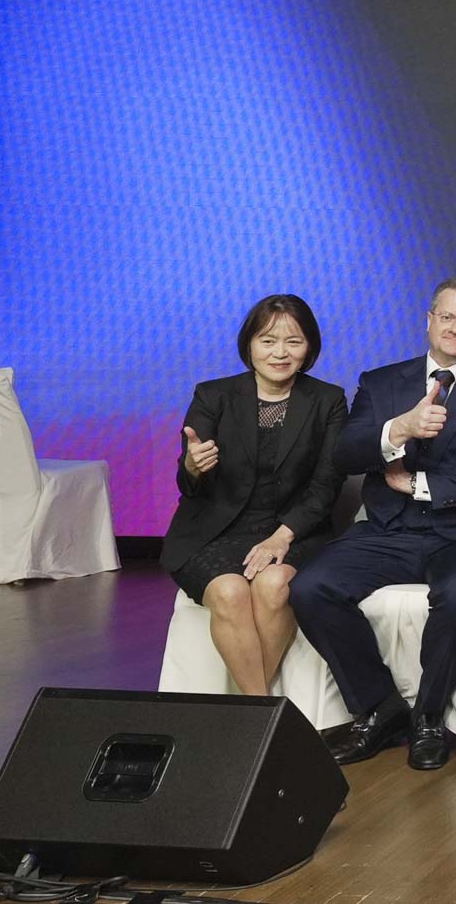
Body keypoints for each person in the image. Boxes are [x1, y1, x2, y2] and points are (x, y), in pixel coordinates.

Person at [290, 278, 456, 770]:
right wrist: (399, 429)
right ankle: (379, 709)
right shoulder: (382, 382)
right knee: (311, 587)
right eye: (448, 317)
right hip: (392, 529)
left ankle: (429, 715)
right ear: (429, 319)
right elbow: (345, 453)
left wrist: (420, 485)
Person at [166, 294, 347, 699]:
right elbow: (187, 482)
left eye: (293, 342)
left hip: (293, 529)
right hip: (214, 529)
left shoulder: (328, 400)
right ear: (249, 345)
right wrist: (193, 466)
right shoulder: (212, 395)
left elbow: (327, 483)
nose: (280, 353)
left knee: (275, 583)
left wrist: (283, 535)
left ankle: (250, 714)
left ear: (309, 348)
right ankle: (262, 708)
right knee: (229, 591)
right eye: (268, 341)